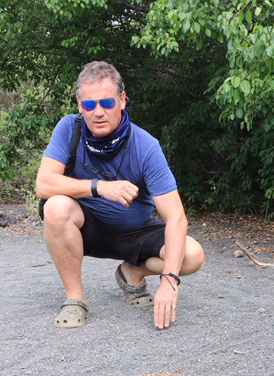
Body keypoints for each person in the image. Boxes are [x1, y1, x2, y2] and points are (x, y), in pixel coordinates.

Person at [36, 61, 205, 330]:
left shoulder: (146, 146)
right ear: (80, 106)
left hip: (134, 233)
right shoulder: (69, 129)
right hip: (85, 228)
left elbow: (176, 217)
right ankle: (75, 298)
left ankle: (132, 272)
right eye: (90, 105)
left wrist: (169, 281)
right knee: (55, 207)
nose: (98, 112)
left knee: (192, 254)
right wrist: (98, 187)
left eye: (107, 103)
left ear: (122, 100)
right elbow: (44, 184)